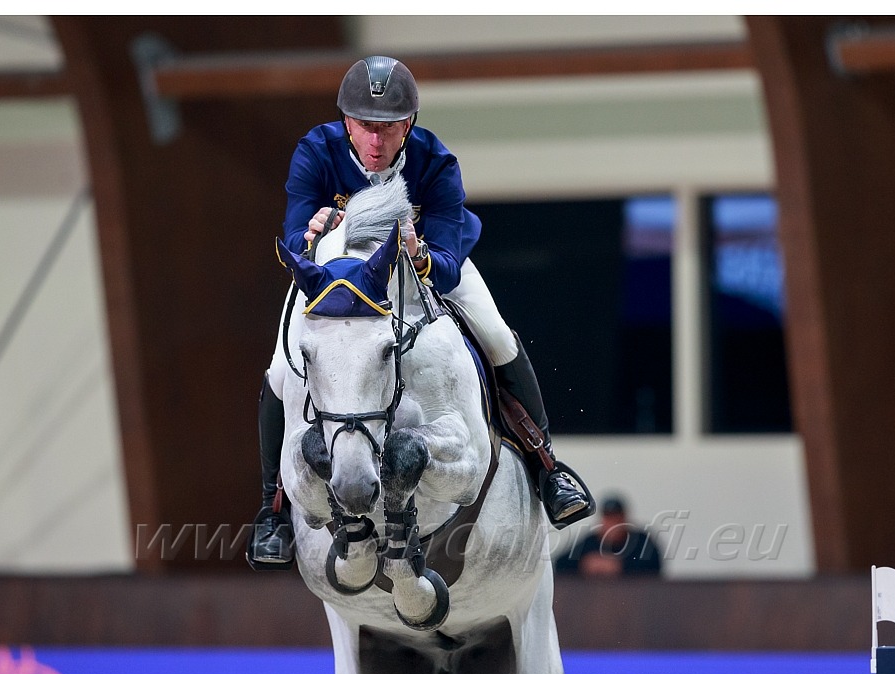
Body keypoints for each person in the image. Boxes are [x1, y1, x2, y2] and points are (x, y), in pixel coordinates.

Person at [248, 55, 594, 567]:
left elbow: (450, 264)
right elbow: (294, 244)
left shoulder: (435, 161)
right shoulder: (315, 151)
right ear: (346, 119)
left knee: (496, 335)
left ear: (408, 123)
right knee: (280, 370)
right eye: (365, 126)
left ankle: (548, 468)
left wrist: (420, 254)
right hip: (338, 281)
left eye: (388, 128)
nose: (375, 142)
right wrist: (311, 234)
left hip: (421, 272)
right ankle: (272, 508)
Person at [554, 496, 661, 577]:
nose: (611, 524)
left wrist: (621, 566)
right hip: (595, 599)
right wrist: (585, 564)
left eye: (615, 519)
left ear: (624, 519)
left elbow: (655, 565)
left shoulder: (640, 540)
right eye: (607, 518)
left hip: (634, 599)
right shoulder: (591, 541)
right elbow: (560, 564)